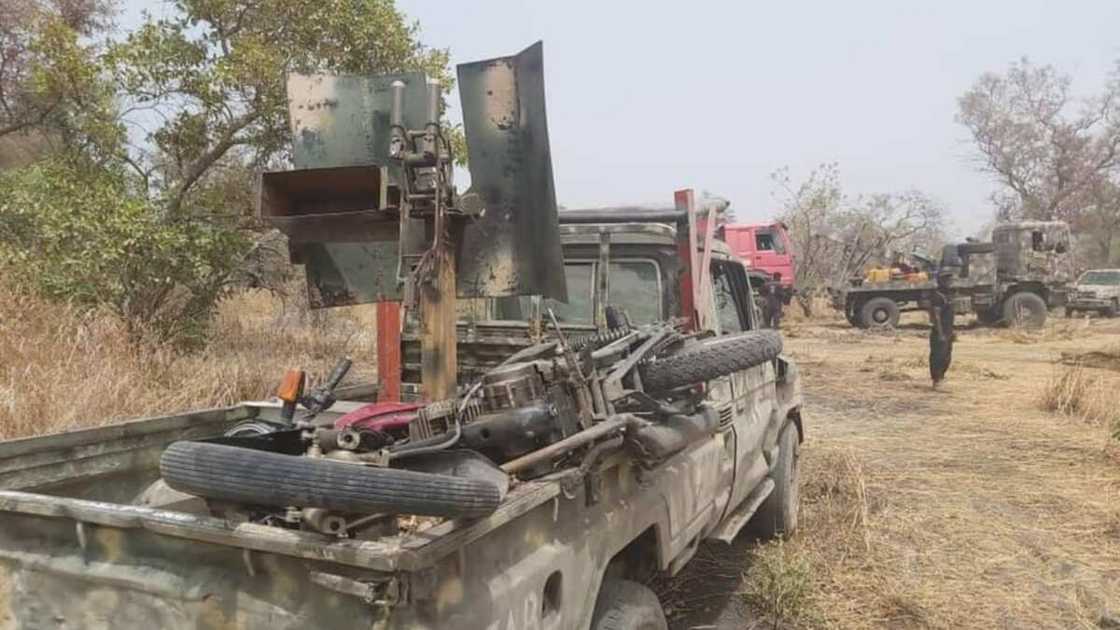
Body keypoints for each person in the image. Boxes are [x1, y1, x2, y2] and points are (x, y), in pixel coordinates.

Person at [928, 270, 955, 389]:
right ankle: (936, 380)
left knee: (947, 356)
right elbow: (936, 316)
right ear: (941, 281)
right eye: (947, 279)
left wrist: (951, 332)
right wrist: (940, 333)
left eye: (950, 279)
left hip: (948, 331)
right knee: (938, 356)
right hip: (940, 332)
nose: (949, 282)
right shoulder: (937, 296)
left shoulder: (948, 295)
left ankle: (941, 378)